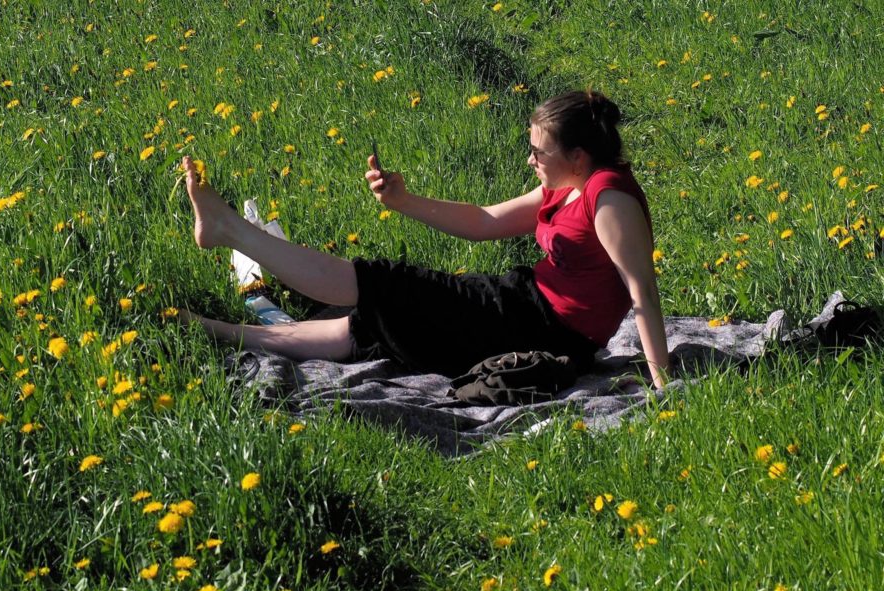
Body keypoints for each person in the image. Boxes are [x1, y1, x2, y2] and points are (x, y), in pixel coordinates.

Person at [178, 90, 669, 388]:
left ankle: (229, 229)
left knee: (386, 286)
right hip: (522, 304)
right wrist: (403, 201)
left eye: (539, 153)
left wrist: (661, 381)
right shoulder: (564, 186)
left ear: (579, 156)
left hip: (543, 332)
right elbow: (485, 221)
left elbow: (641, 291)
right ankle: (219, 331)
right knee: (378, 327)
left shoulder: (609, 200)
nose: (531, 161)